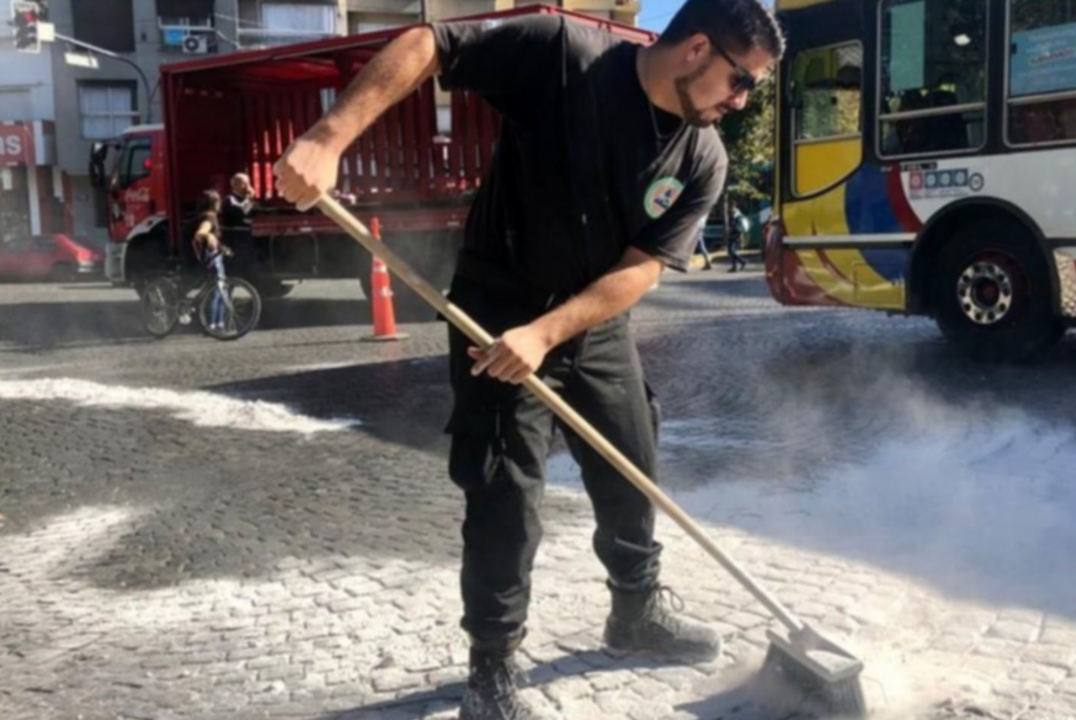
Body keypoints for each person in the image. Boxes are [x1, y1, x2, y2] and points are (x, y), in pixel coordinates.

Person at [273, 2, 782, 717]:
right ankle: (492, 668)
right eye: (743, 82)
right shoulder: (563, 54)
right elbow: (430, 44)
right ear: (697, 49)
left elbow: (642, 269)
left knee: (631, 466)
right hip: (495, 306)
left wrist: (550, 333)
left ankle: (635, 612)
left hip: (591, 325)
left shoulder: (702, 157)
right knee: (504, 495)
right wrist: (329, 137)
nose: (741, 102)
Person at [192, 190, 232, 331]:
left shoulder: (205, 216)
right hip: (212, 258)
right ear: (214, 203)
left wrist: (222, 247)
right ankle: (212, 325)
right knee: (216, 291)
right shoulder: (209, 217)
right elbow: (201, 233)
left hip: (214, 256)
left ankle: (218, 324)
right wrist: (207, 235)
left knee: (219, 291)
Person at [726, 202, 749, 272]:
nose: (729, 209)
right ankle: (734, 266)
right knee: (730, 251)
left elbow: (739, 227)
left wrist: (734, 229)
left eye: (730, 207)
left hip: (736, 235)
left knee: (732, 251)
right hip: (732, 235)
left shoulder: (739, 216)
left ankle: (743, 261)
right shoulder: (732, 215)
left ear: (734, 207)